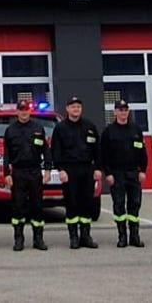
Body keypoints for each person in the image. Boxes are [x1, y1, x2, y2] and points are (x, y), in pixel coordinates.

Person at [51, 96, 101, 249]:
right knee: (71, 204)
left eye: (78, 106)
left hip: (87, 169)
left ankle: (86, 236)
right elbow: (55, 151)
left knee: (87, 203)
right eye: (73, 107)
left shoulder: (90, 126)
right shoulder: (60, 128)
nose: (76, 109)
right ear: (67, 109)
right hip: (69, 171)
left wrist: (98, 168)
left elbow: (97, 150)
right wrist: (60, 169)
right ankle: (73, 237)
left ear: (81, 109)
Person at [0, 99, 49, 251]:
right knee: (18, 207)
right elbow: (6, 154)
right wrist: (7, 173)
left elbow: (46, 151)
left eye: (26, 109)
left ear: (29, 111)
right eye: (21, 109)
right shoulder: (10, 130)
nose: (24, 112)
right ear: (17, 111)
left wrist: (47, 169)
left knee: (37, 206)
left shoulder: (38, 128)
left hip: (34, 171)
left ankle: (38, 239)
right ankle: (19, 239)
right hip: (18, 172)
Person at [98, 99, 147, 248]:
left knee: (135, 204)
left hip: (133, 173)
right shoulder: (108, 131)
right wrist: (108, 173)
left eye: (125, 109)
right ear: (115, 112)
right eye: (120, 110)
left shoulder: (136, 129)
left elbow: (142, 152)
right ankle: (122, 237)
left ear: (128, 111)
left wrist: (143, 170)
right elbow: (103, 154)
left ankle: (134, 236)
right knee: (119, 205)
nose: (123, 112)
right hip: (116, 174)